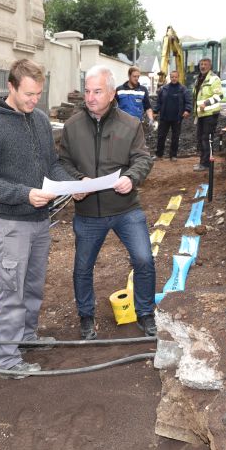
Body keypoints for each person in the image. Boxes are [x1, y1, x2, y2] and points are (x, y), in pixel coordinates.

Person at [0, 59, 74, 379]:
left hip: (41, 221)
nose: (34, 101)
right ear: (11, 87)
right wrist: (24, 194)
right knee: (11, 291)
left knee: (32, 285)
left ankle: (27, 337)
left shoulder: (40, 120)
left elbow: (51, 165)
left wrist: (72, 184)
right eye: (29, 94)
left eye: (38, 95)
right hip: (13, 223)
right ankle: (8, 360)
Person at [59, 65, 157, 340]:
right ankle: (86, 316)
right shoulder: (72, 126)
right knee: (82, 266)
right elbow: (63, 162)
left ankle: (146, 312)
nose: (90, 97)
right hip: (88, 213)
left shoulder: (130, 124)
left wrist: (131, 177)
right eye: (88, 91)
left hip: (125, 209)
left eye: (97, 91)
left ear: (112, 93)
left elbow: (142, 158)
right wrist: (77, 181)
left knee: (143, 259)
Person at [192, 57, 223, 172]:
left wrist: (206, 103)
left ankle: (206, 164)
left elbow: (219, 96)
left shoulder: (214, 79)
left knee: (206, 139)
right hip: (201, 114)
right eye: (201, 64)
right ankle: (202, 162)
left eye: (205, 64)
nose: (202, 66)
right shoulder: (199, 79)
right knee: (201, 139)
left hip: (210, 114)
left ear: (210, 66)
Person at [153, 70, 192, 161]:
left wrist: (187, 110)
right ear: (170, 78)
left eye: (175, 77)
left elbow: (188, 101)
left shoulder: (183, 89)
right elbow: (159, 102)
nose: (174, 78)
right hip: (164, 117)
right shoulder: (164, 89)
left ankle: (173, 155)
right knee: (161, 136)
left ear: (178, 77)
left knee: (175, 137)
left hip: (177, 118)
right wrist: (155, 111)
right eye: (172, 77)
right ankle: (159, 155)